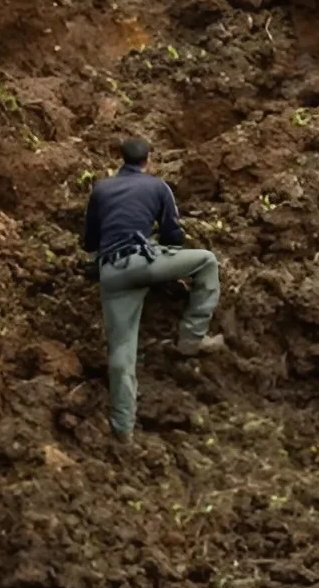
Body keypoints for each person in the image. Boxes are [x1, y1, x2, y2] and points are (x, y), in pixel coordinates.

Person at [82, 136, 225, 441]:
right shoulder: (158, 186)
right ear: (149, 159)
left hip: (112, 273)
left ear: (120, 159)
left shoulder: (101, 189)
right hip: (144, 261)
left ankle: (123, 430)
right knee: (207, 262)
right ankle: (190, 339)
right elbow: (173, 234)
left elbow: (89, 243)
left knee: (121, 355)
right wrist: (164, 258)